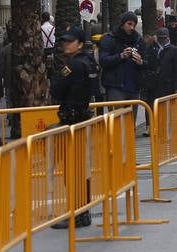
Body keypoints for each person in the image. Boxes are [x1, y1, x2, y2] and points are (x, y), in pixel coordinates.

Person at [49, 27, 94, 229]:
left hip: (72, 120)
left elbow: (57, 90)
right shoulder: (89, 62)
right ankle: (82, 211)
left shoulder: (75, 65)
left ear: (80, 43)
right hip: (81, 117)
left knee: (72, 168)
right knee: (78, 167)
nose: (65, 44)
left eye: (70, 41)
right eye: (64, 41)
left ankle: (78, 212)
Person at [99, 12, 146, 102]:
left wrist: (141, 62)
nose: (132, 27)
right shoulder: (109, 39)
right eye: (129, 24)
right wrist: (121, 56)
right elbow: (103, 61)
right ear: (122, 23)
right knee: (117, 115)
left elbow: (147, 62)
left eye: (134, 25)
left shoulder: (139, 40)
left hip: (134, 87)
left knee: (131, 116)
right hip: (116, 87)